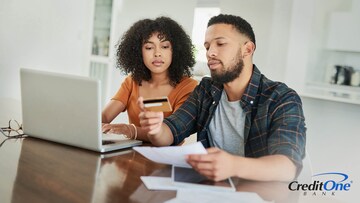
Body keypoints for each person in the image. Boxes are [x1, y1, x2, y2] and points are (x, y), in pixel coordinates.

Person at [138, 14, 306, 182]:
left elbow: (287, 166)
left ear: (247, 49)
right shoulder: (206, 90)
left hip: (260, 194)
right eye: (207, 46)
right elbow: (171, 131)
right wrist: (156, 129)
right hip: (211, 189)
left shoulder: (281, 98)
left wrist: (233, 166)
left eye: (220, 43)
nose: (210, 53)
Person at [102, 16, 197, 142]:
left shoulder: (188, 87)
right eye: (149, 47)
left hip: (166, 158)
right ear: (138, 52)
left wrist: (129, 130)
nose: (157, 53)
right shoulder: (132, 82)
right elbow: (105, 116)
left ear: (176, 50)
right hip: (130, 156)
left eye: (164, 46)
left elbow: (172, 132)